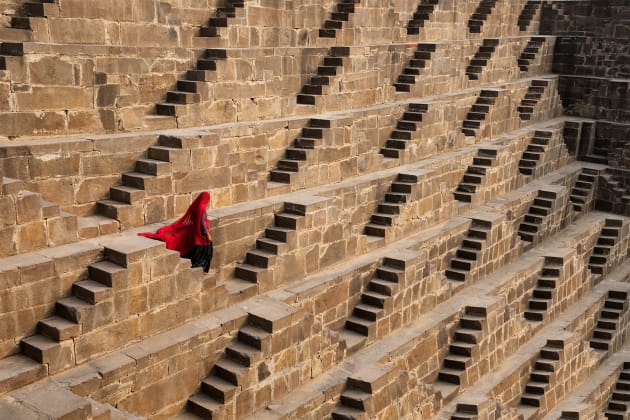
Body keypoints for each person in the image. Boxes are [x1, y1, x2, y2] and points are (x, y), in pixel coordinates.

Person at [139, 192, 213, 272]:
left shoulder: (198, 206)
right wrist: (207, 233)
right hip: (200, 234)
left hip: (197, 232)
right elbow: (202, 223)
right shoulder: (201, 208)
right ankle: (200, 267)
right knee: (205, 251)